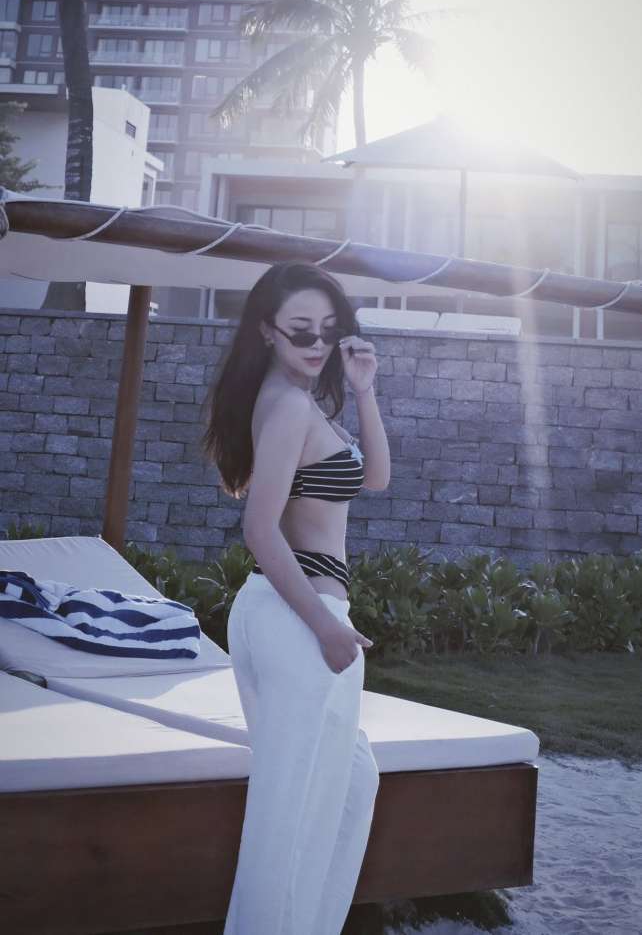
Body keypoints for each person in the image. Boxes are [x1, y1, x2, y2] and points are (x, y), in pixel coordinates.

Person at [202, 260, 391, 935]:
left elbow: (374, 479)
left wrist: (364, 390)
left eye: (329, 331)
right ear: (267, 331)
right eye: (301, 330)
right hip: (300, 616)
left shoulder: (301, 402)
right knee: (287, 820)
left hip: (299, 615)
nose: (318, 344)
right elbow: (259, 528)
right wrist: (323, 626)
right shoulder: (285, 405)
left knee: (351, 786)